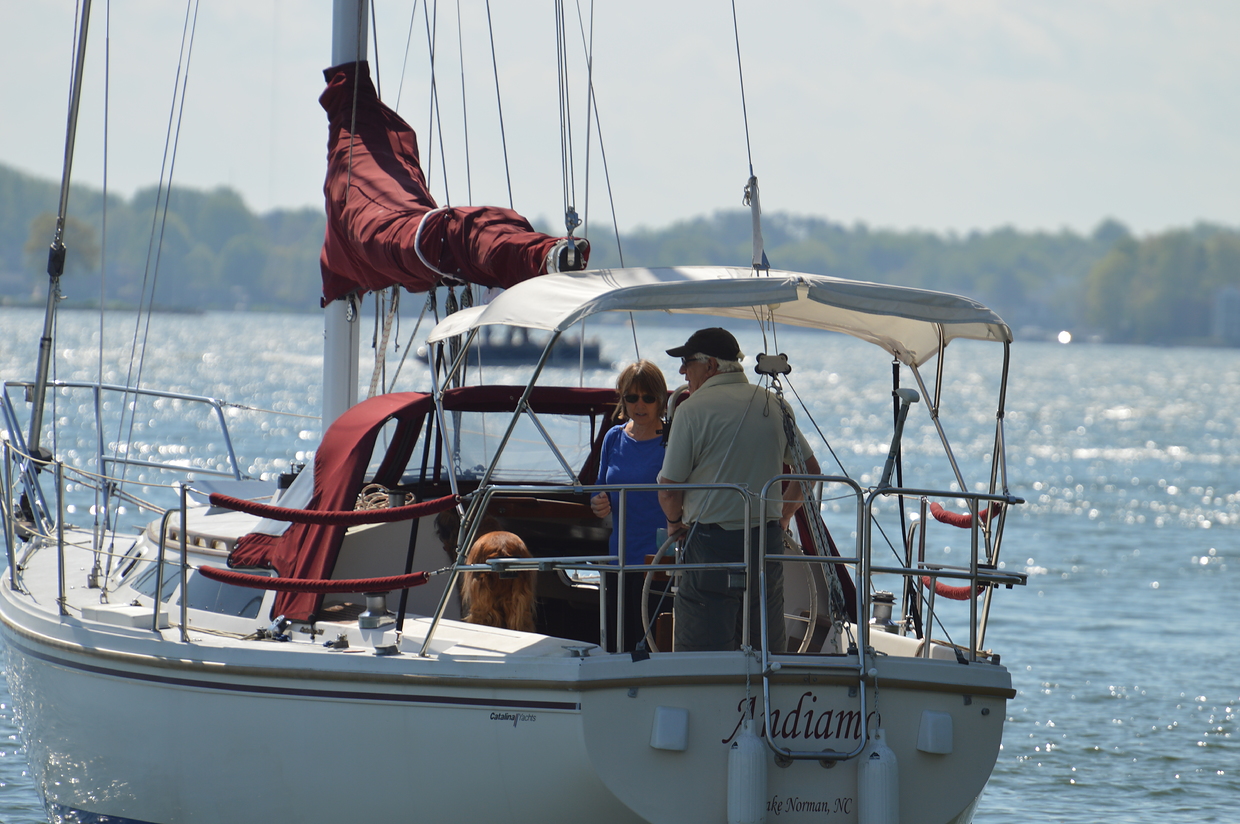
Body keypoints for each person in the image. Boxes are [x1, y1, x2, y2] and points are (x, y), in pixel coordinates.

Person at [657, 328, 820, 652]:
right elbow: (809, 471)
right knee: (764, 652)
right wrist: (783, 517)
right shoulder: (775, 404)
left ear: (711, 365)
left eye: (687, 362)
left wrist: (674, 524)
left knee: (701, 658)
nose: (681, 371)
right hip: (766, 545)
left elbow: (669, 492)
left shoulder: (690, 411)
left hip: (708, 547)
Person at [590, 360, 669, 651]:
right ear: (622, 399)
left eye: (648, 397)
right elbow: (600, 488)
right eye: (632, 397)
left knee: (652, 646)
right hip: (620, 559)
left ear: (660, 400)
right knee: (616, 645)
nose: (640, 404)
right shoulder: (614, 438)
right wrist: (597, 502)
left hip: (660, 560)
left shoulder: (672, 441)